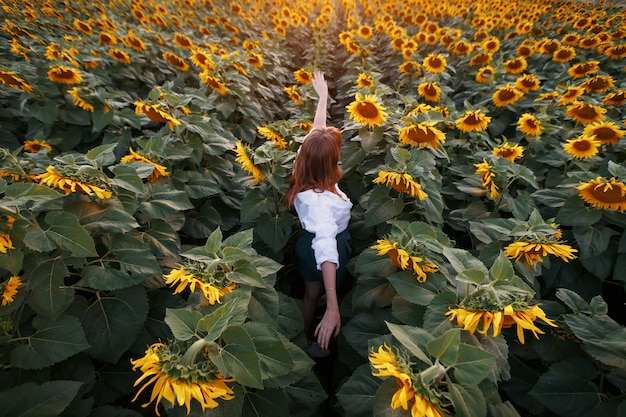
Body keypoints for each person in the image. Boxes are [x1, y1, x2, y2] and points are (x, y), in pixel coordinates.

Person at [285, 70, 353, 357]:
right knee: (321, 292)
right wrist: (335, 306)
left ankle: (304, 333)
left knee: (311, 293)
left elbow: (316, 133)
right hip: (324, 249)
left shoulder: (305, 166)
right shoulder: (322, 203)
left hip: (306, 245)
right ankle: (317, 334)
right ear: (331, 163)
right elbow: (326, 250)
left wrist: (323, 96)